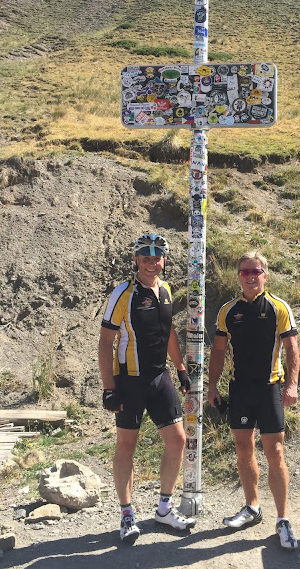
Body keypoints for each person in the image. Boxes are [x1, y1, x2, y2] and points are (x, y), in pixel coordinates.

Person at [98, 232, 195, 545]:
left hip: (158, 376)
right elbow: (105, 341)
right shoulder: (123, 293)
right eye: (145, 257)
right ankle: (127, 514)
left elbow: (168, 333)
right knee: (127, 445)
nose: (151, 263)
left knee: (178, 440)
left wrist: (180, 368)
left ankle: (164, 509)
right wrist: (109, 388)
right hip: (129, 380)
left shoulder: (165, 290)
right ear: (135, 259)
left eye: (157, 257)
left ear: (164, 260)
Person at [208, 250, 300, 550]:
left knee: (275, 451)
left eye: (256, 271)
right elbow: (219, 350)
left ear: (265, 275)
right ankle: (252, 507)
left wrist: (292, 385)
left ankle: (283, 520)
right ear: (238, 276)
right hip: (240, 389)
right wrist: (212, 386)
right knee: (243, 447)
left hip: (269, 388)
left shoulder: (278, 307)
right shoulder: (228, 311)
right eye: (245, 272)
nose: (250, 277)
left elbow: (292, 348)